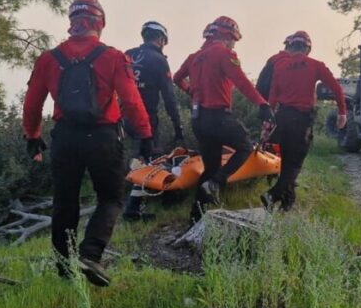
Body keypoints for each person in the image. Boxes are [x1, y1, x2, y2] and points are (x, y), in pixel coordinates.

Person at [22, 0, 153, 287]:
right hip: (103, 137)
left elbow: (31, 105)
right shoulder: (113, 57)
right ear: (100, 23)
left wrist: (32, 135)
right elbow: (132, 102)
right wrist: (144, 135)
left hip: (65, 137)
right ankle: (90, 255)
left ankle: (64, 267)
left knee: (64, 201)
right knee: (111, 197)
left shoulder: (48, 59)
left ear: (72, 23)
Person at [180, 16, 273, 222]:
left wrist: (192, 92)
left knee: (210, 168)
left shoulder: (194, 57)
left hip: (198, 120)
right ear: (227, 36)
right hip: (218, 117)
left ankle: (195, 218)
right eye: (234, 39)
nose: (234, 44)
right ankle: (217, 183)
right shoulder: (223, 53)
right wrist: (262, 103)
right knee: (245, 146)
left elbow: (177, 77)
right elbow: (241, 81)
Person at [256, 31, 345, 211]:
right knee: (294, 164)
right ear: (308, 48)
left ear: (291, 46)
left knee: (287, 161)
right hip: (302, 120)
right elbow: (336, 88)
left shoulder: (281, 66)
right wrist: (342, 112)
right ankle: (272, 195)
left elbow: (273, 95)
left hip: (282, 118)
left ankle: (287, 202)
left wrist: (268, 122)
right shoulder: (315, 65)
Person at [122, 21, 185, 220]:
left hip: (122, 117)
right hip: (146, 118)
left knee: (141, 157)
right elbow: (169, 97)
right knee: (152, 158)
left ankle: (134, 204)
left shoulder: (128, 54)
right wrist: (178, 127)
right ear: (161, 39)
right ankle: (134, 209)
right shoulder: (158, 60)